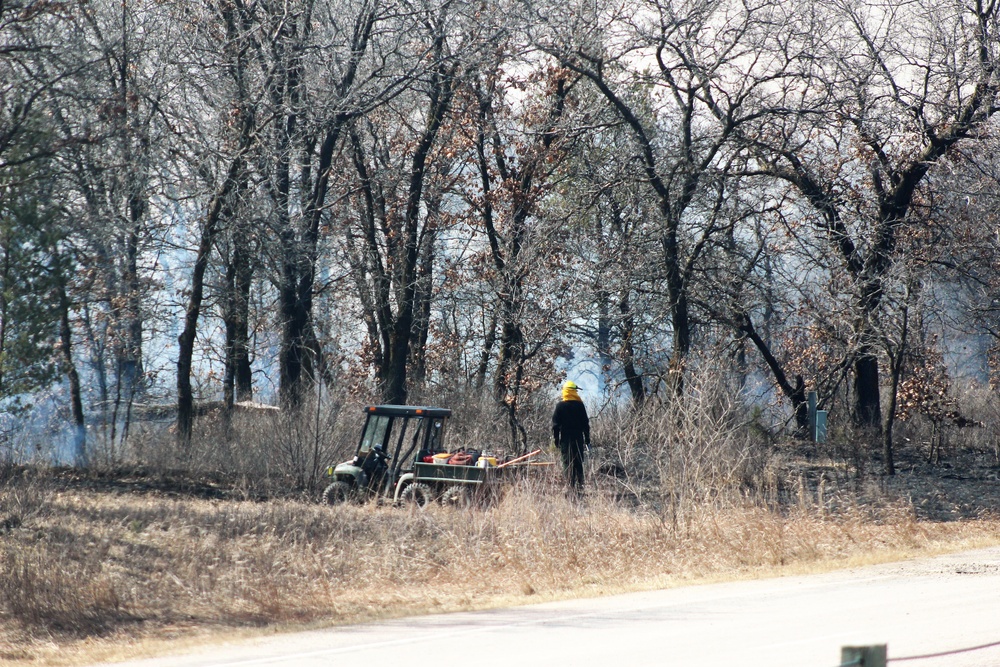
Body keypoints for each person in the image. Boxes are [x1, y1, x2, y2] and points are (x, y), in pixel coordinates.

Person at [552, 380, 591, 492]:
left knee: (567, 462)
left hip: (565, 439)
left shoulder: (560, 406)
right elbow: (585, 424)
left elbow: (555, 426)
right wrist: (587, 439)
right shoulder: (580, 405)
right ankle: (580, 486)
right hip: (578, 438)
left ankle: (570, 486)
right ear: (574, 391)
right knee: (578, 461)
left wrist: (556, 440)